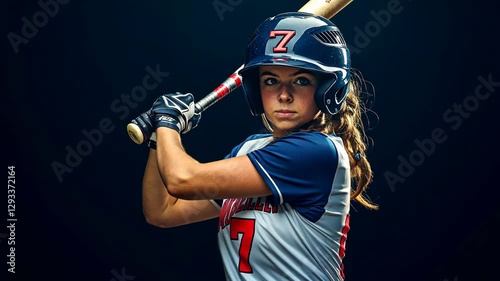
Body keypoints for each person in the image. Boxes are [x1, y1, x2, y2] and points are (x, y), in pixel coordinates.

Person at [135, 11, 378, 281]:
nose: (284, 95)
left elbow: (182, 180)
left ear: (328, 88)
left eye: (301, 80)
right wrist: (160, 138)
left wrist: (168, 122)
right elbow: (162, 211)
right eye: (271, 80)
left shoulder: (316, 151)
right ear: (256, 88)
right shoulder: (251, 150)